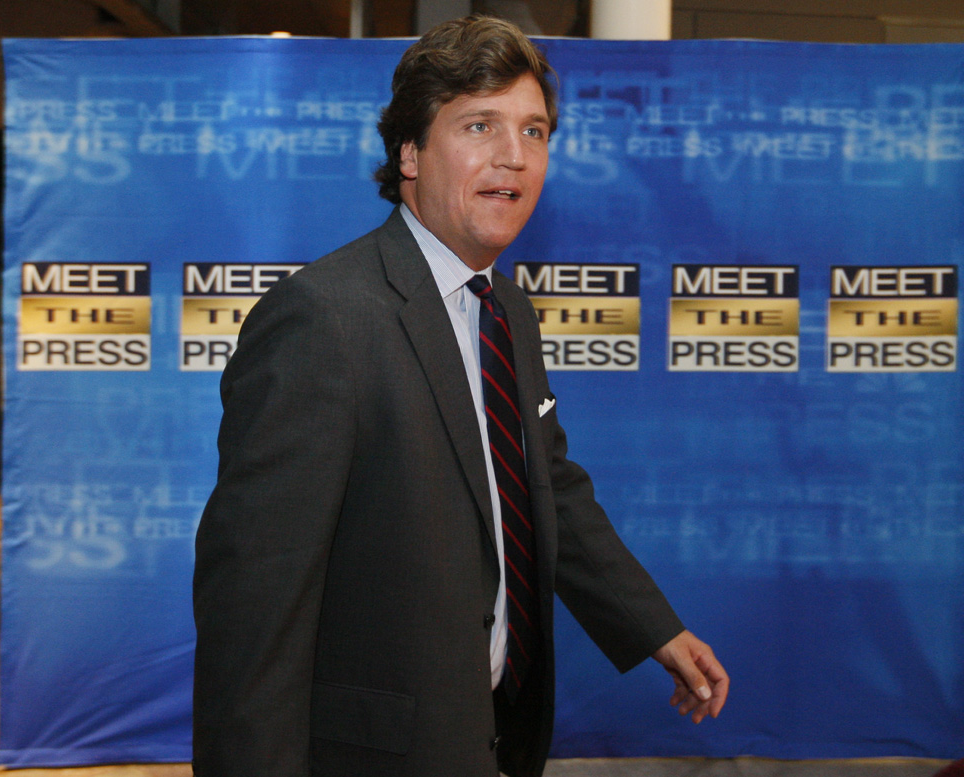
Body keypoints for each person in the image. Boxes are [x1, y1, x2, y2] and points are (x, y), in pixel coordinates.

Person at [192, 15, 728, 777]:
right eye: (481, 125)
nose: (515, 156)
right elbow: (253, 611)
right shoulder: (322, 319)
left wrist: (653, 629)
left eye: (535, 131)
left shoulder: (508, 310)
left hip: (494, 741)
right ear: (409, 152)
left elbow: (548, 490)